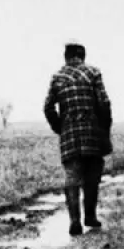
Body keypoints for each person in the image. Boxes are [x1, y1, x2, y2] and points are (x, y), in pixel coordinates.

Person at [44, 41, 113, 236]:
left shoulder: (57, 77)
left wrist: (60, 127)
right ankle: (90, 215)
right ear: (83, 56)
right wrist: (104, 128)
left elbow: (48, 107)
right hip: (92, 131)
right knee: (92, 175)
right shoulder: (93, 73)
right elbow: (104, 103)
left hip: (69, 134)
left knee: (72, 176)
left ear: (65, 57)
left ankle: (74, 220)